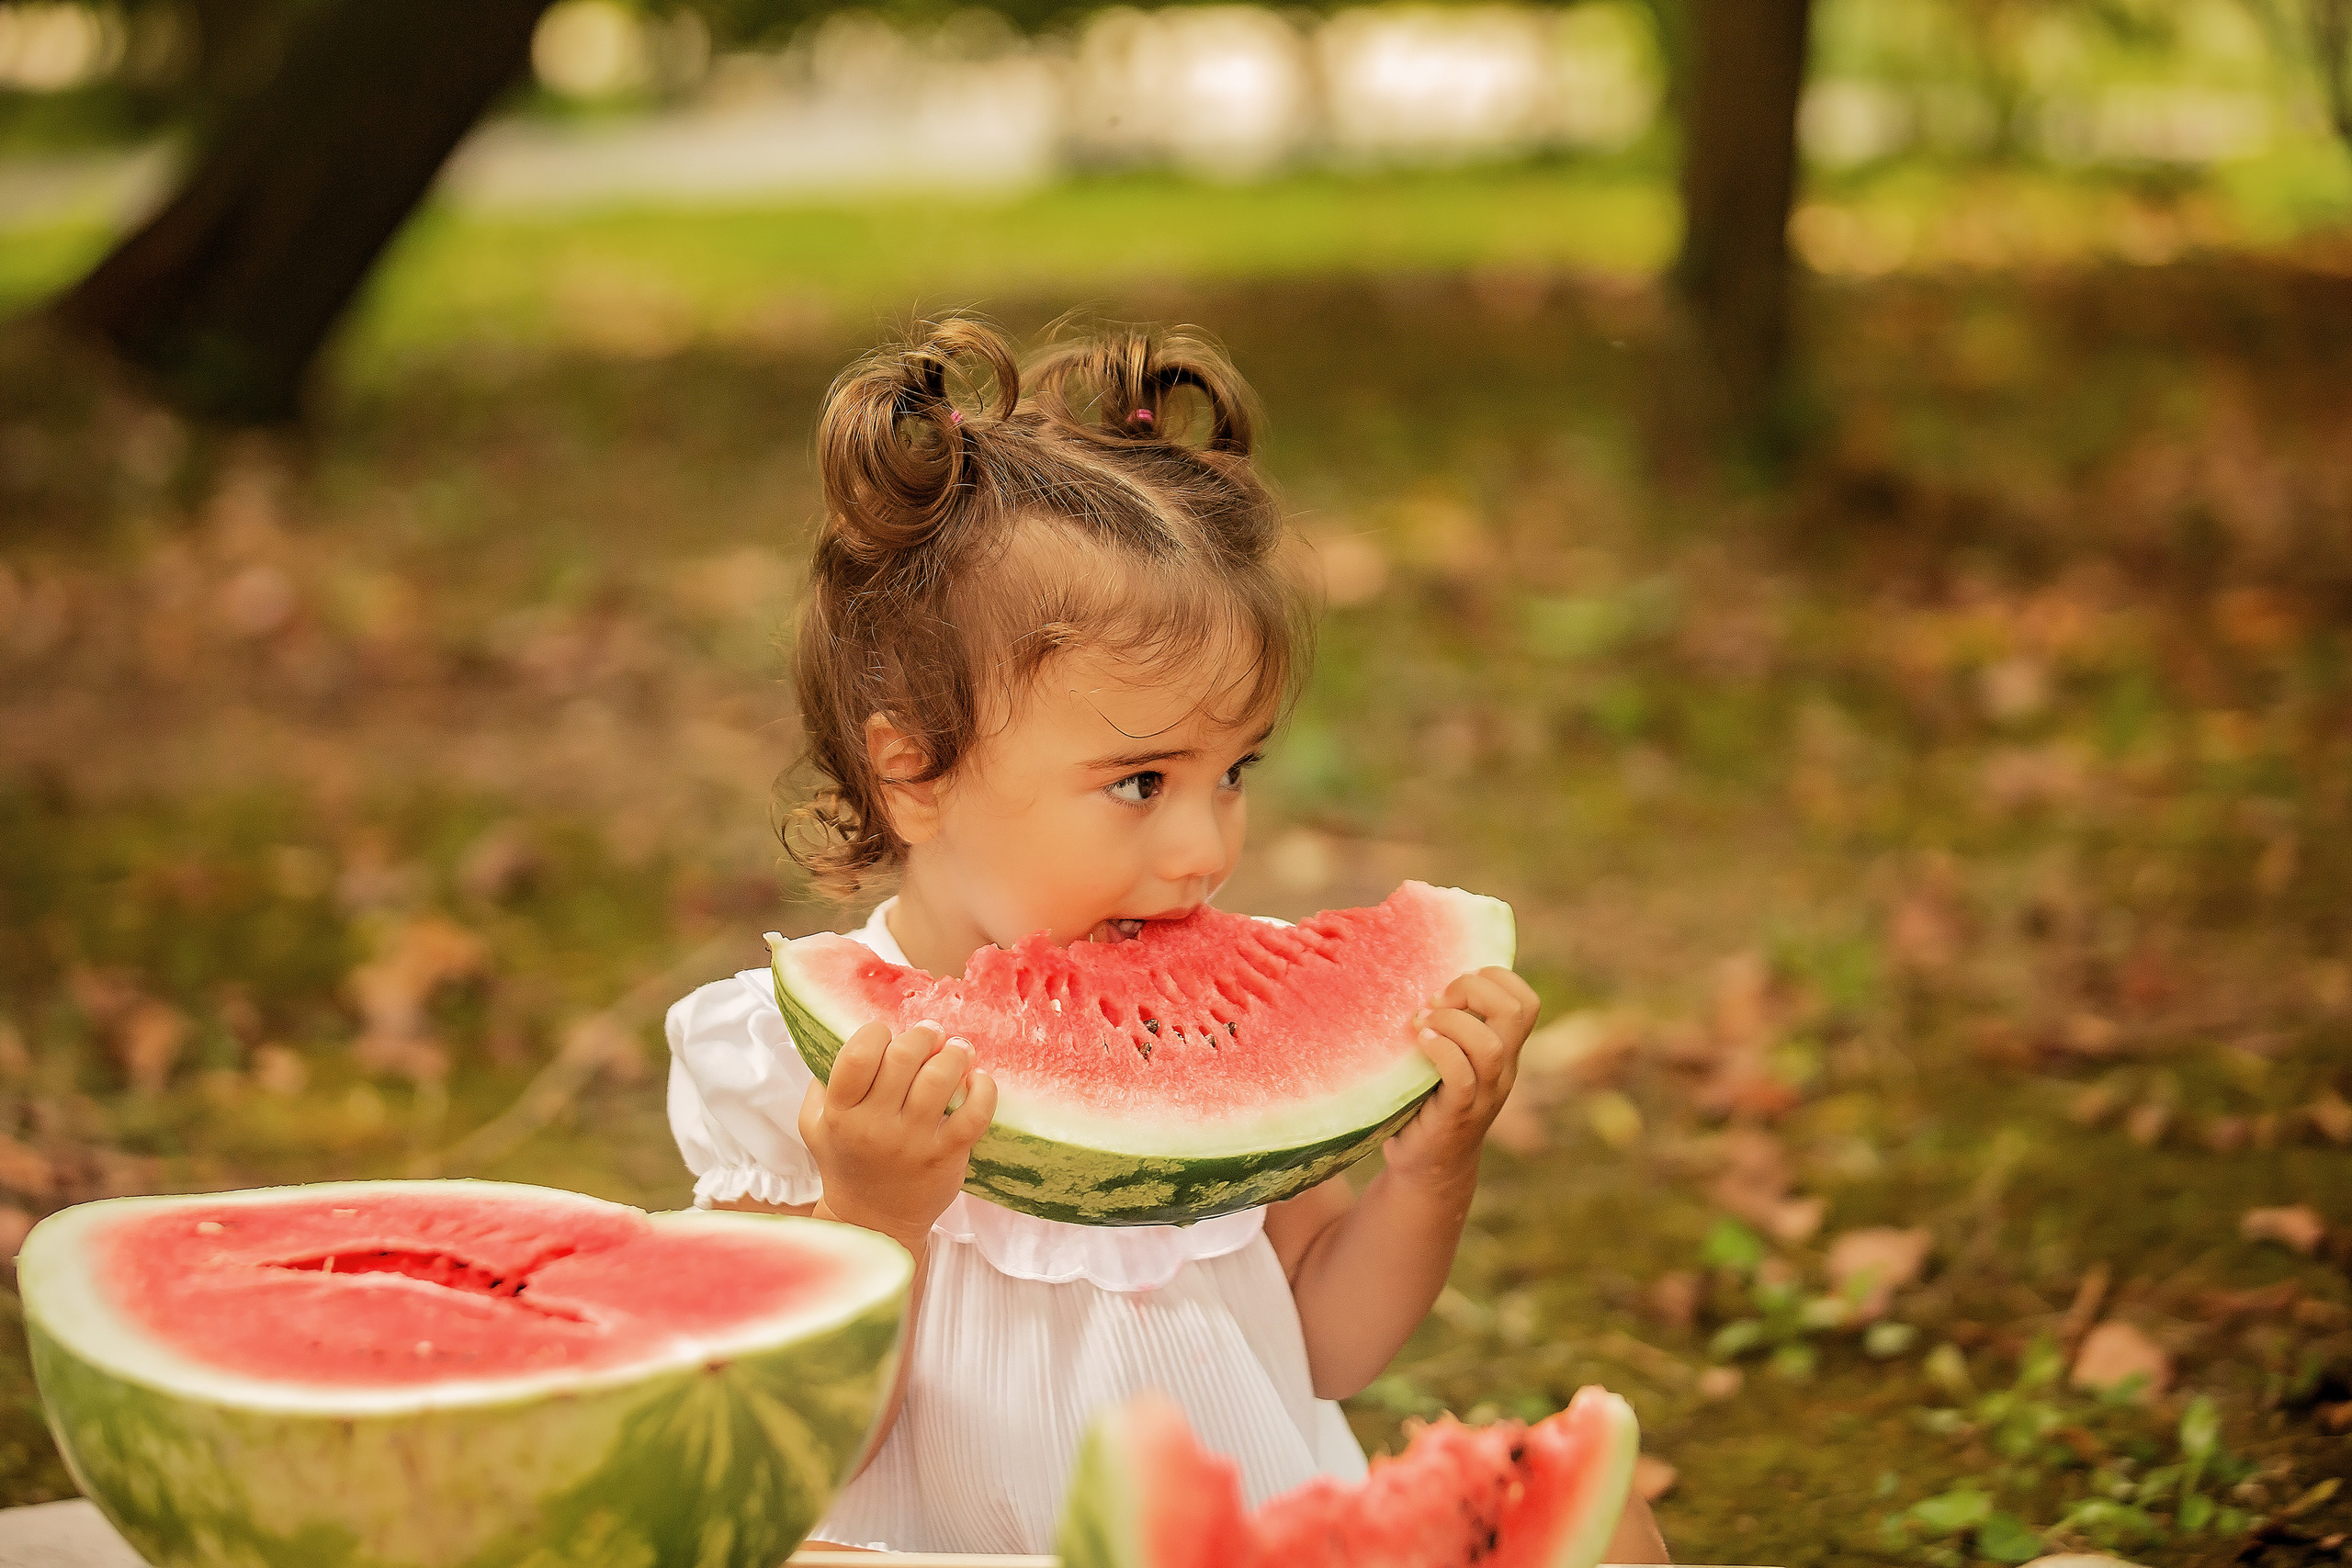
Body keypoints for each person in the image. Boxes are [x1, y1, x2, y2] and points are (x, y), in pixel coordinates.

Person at [664, 317, 1668, 1561]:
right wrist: (872, 1221)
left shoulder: (1209, 1036)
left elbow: (1332, 1344)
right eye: (1141, 782)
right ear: (913, 772)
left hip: (1250, 1543)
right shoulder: (780, 1066)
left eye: (1234, 770)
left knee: (1610, 1525)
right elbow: (789, 1452)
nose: (1205, 850)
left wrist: (1432, 1171)